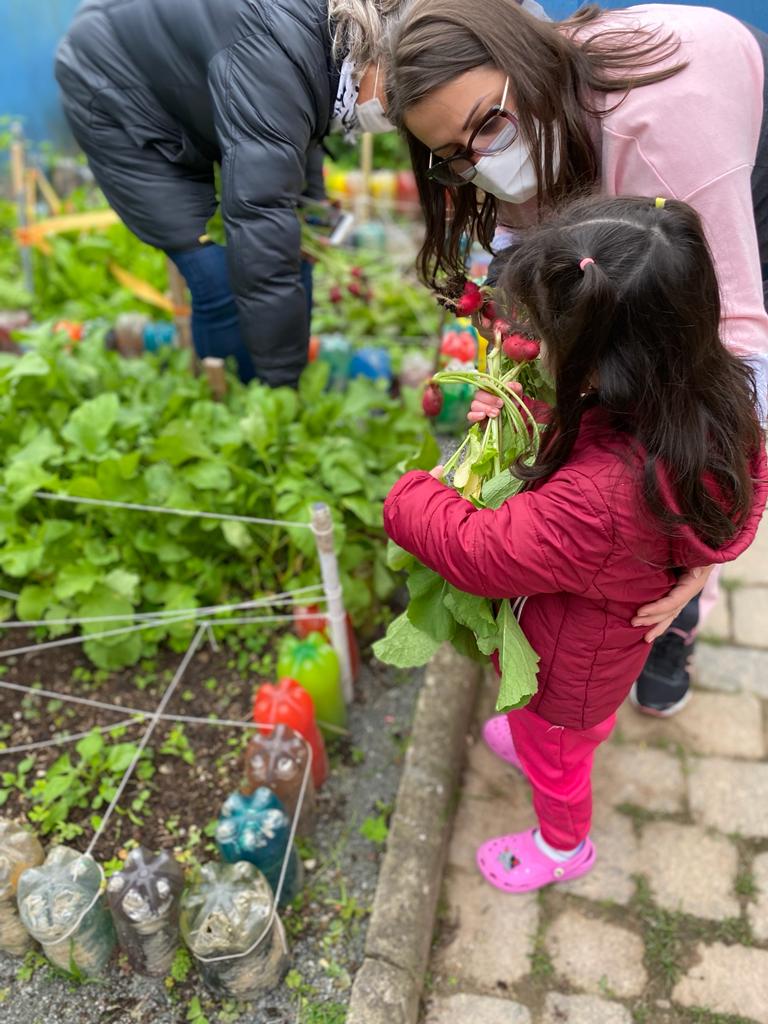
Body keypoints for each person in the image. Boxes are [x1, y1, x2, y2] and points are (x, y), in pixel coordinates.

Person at [385, 0, 768, 716]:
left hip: (736, 156)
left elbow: (736, 341)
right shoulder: (508, 147)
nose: (482, 164)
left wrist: (705, 549)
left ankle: (678, 618)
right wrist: (529, 391)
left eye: (486, 126)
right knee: (625, 372)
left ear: (527, 67)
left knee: (679, 388)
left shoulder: (658, 131)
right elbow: (540, 275)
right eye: (456, 157)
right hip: (612, 159)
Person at [383, 194, 767, 891]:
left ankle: (563, 846)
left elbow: (483, 552)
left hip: (573, 671)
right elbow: (744, 477)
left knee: (558, 755)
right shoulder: (706, 395)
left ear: (598, 371)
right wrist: (528, 412)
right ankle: (551, 739)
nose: (536, 352)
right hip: (608, 636)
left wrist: (410, 497)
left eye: (551, 346)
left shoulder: (598, 501)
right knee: (558, 730)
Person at [54, 0, 403, 386]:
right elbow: (262, 215)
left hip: (181, 77)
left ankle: (270, 385)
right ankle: (237, 406)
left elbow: (295, 127)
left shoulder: (328, 43)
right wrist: (281, 387)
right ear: (377, 51)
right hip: (110, 86)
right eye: (397, 92)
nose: (395, 113)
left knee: (293, 249)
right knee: (216, 277)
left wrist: (312, 203)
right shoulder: (275, 49)